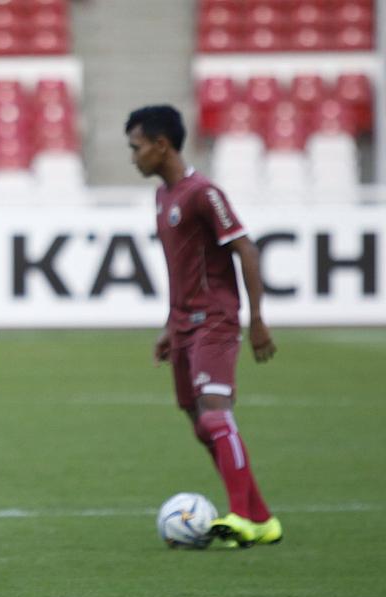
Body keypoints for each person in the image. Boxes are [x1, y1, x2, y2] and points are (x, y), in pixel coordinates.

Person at [125, 105, 282, 548]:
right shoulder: (164, 197)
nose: (132, 157)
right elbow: (182, 269)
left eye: (136, 148)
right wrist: (169, 326)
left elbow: (246, 250)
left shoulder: (202, 193)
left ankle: (240, 516)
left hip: (215, 319)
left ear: (161, 144)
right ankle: (263, 518)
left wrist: (258, 320)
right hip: (184, 325)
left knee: (215, 413)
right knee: (199, 421)